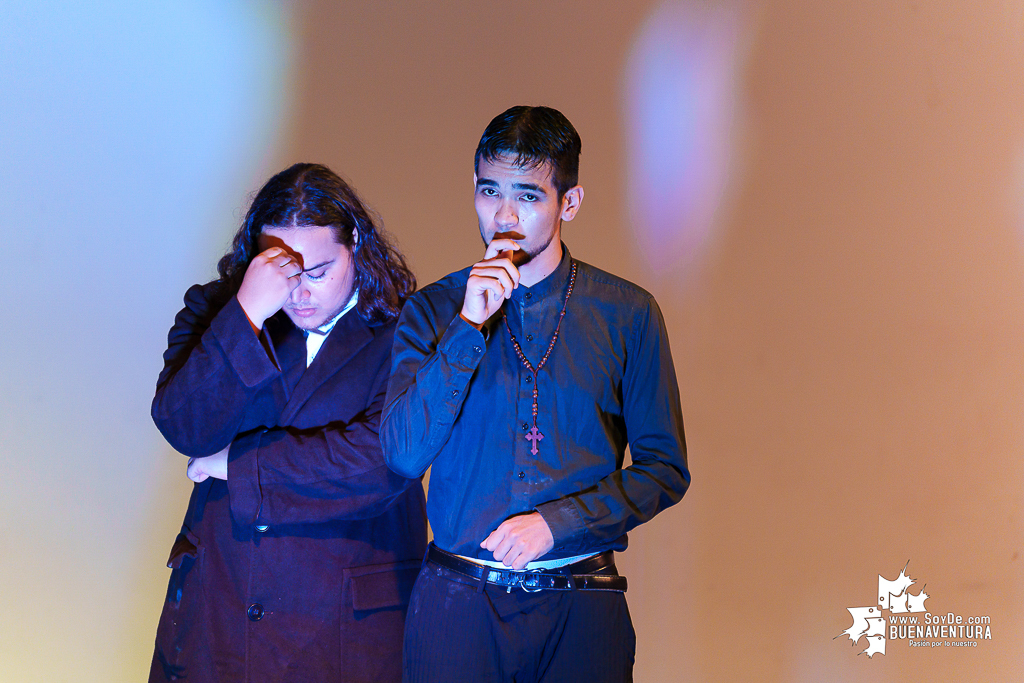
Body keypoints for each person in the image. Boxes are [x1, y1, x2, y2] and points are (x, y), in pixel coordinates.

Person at [381, 106, 690, 682]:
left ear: (567, 203)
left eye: (528, 196)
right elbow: (402, 454)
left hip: (581, 603)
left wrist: (560, 522)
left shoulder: (627, 313)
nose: (504, 215)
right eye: (489, 191)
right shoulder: (432, 311)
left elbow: (664, 468)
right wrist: (469, 326)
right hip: (459, 603)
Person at [149, 163, 427, 683]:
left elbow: (379, 462)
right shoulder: (217, 313)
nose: (299, 291)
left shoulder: (408, 330)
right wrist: (248, 313)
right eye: (281, 271)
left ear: (355, 248)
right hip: (220, 615)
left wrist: (234, 463)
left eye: (318, 271)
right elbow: (184, 426)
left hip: (343, 630)